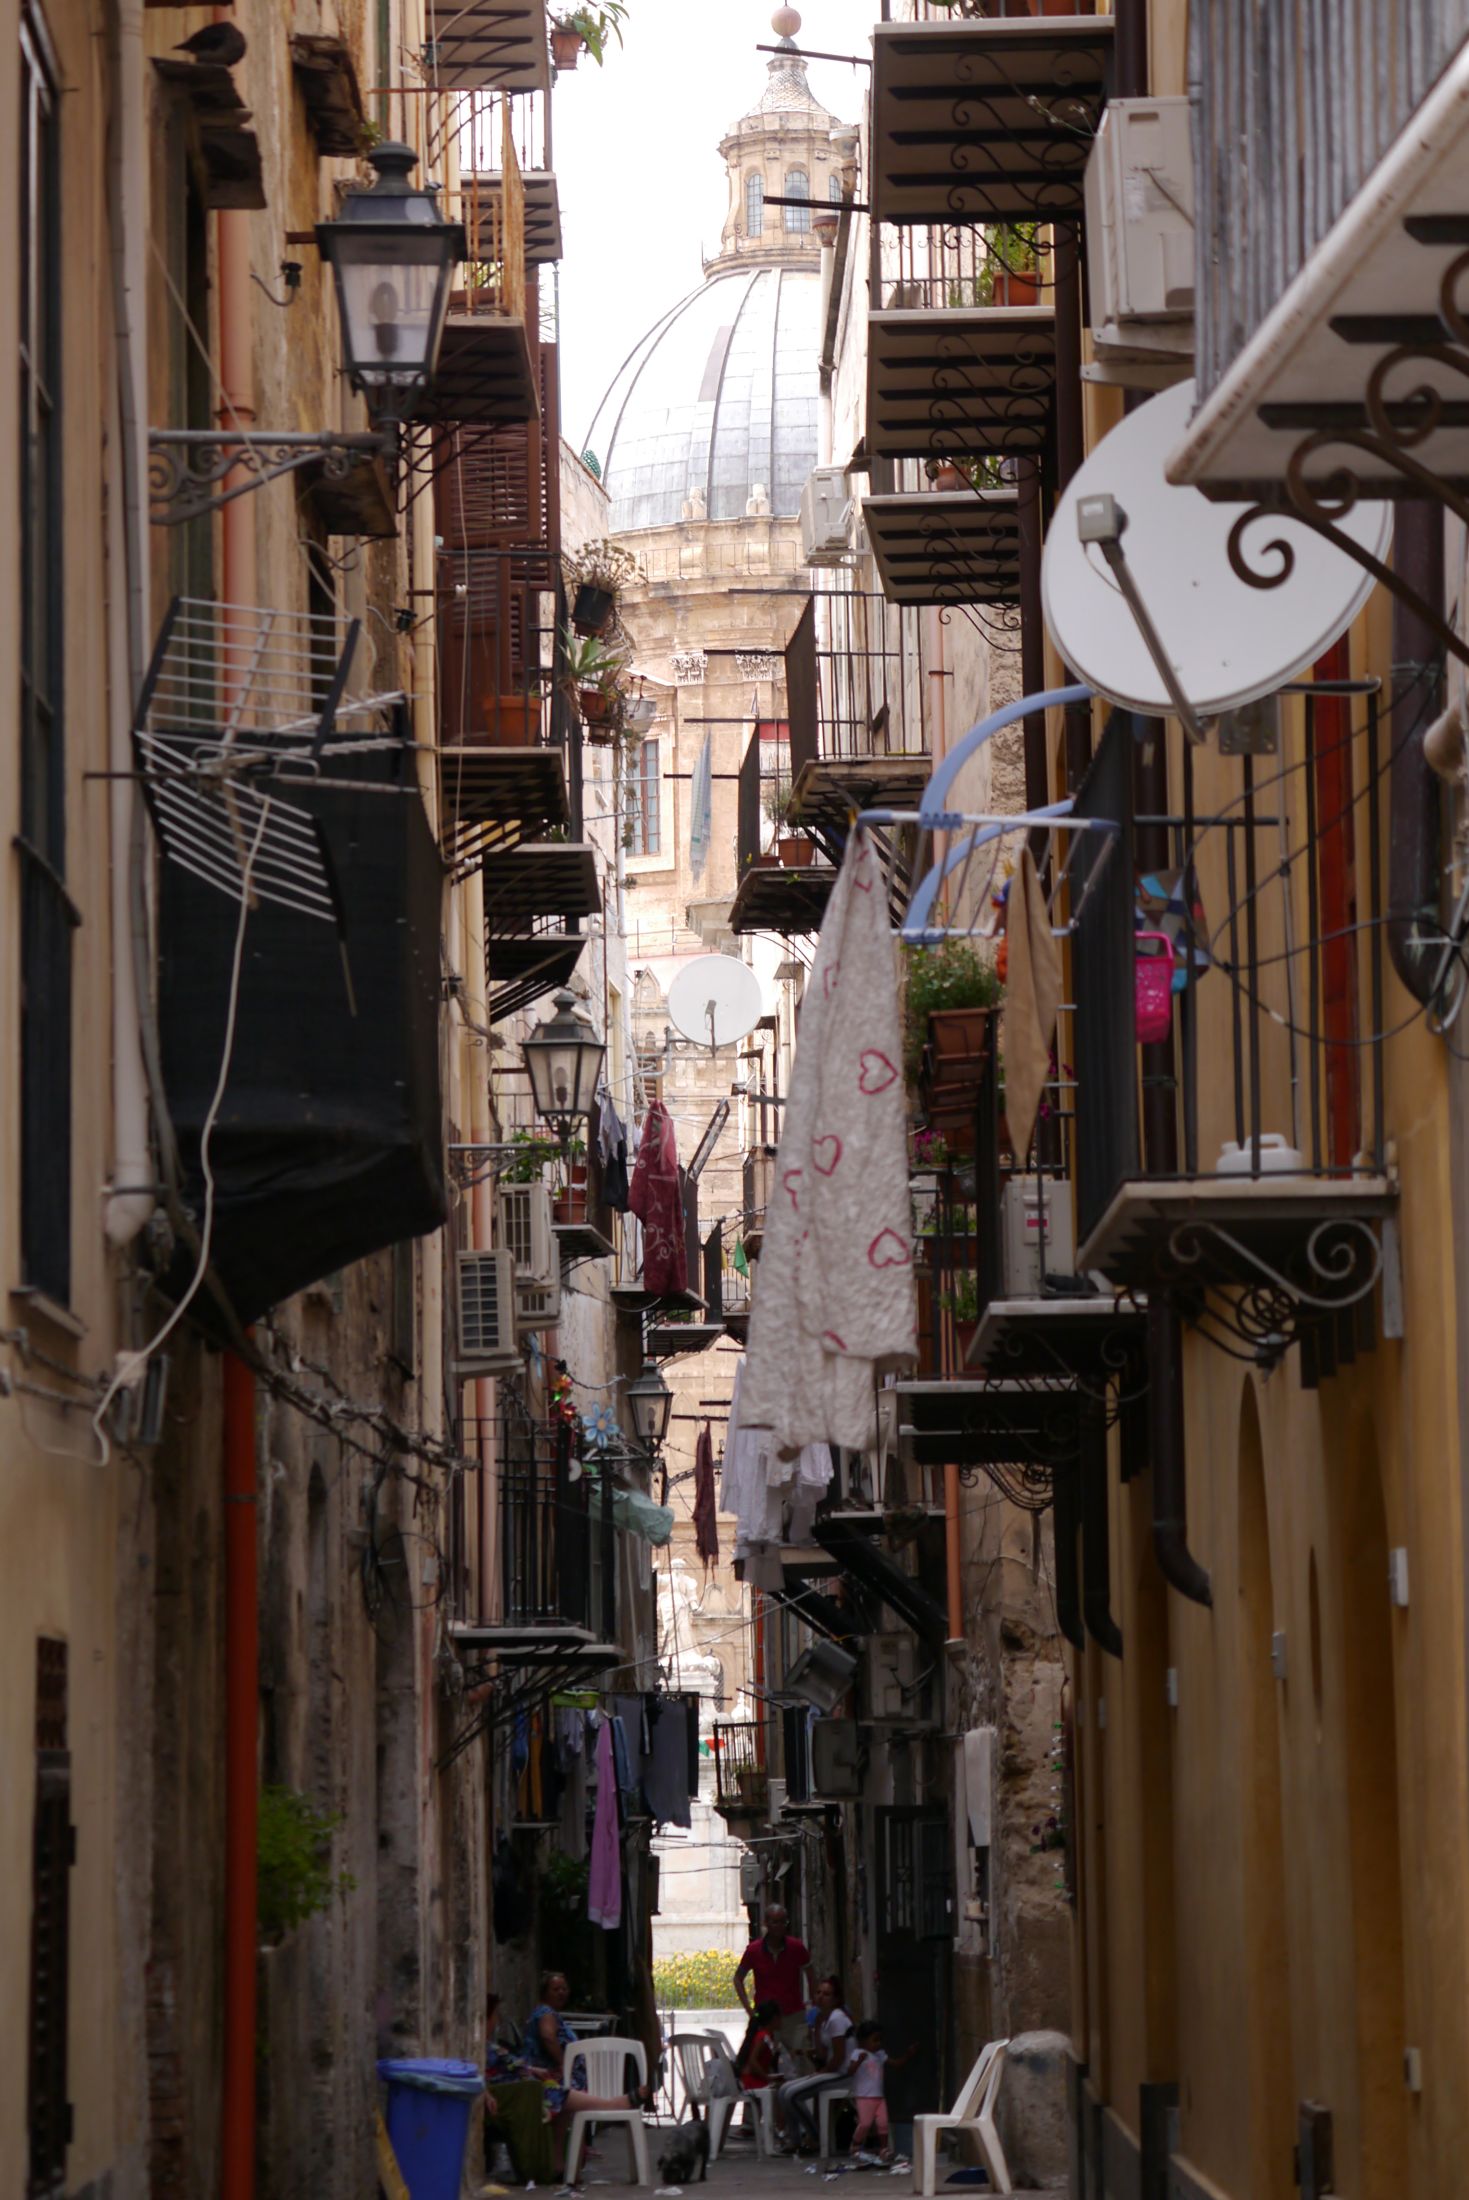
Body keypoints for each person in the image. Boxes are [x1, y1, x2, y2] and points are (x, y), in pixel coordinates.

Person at [521, 1969, 652, 2170]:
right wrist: (563, 2063)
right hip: (551, 2077)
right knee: (567, 2097)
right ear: (544, 1992)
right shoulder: (546, 2014)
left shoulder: (548, 2013)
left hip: (558, 2078)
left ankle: (570, 2157)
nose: (561, 1993)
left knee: (569, 2100)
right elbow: (548, 2037)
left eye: (564, 1988)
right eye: (556, 1989)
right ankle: (616, 2104)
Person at [777, 1976, 854, 2155]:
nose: (820, 1997)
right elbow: (821, 2054)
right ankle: (795, 2140)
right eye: (818, 1992)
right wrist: (816, 2028)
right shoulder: (825, 2019)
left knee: (792, 2094)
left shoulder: (837, 2019)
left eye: (826, 1994)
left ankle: (815, 2136)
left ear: (835, 1999)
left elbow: (840, 2056)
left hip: (844, 2074)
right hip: (831, 2071)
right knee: (783, 2090)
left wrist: (821, 2073)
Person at [733, 1904, 815, 2063]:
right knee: (765, 2062)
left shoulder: (796, 1947)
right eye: (775, 1922)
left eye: (782, 1922)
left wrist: (812, 2006)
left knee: (803, 2060)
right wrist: (750, 2010)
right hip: (766, 2018)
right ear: (766, 1923)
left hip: (793, 2015)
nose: (779, 1926)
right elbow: (738, 1979)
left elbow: (811, 1975)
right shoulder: (754, 1950)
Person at [846, 2019, 918, 2164]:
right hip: (864, 2096)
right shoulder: (857, 2053)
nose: (878, 2043)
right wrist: (859, 2061)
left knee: (883, 2123)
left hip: (879, 2096)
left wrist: (908, 2055)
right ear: (863, 2041)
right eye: (875, 2040)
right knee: (865, 2123)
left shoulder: (880, 2055)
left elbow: (896, 2064)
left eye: (879, 2040)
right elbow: (850, 2071)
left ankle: (884, 2148)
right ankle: (855, 2145)